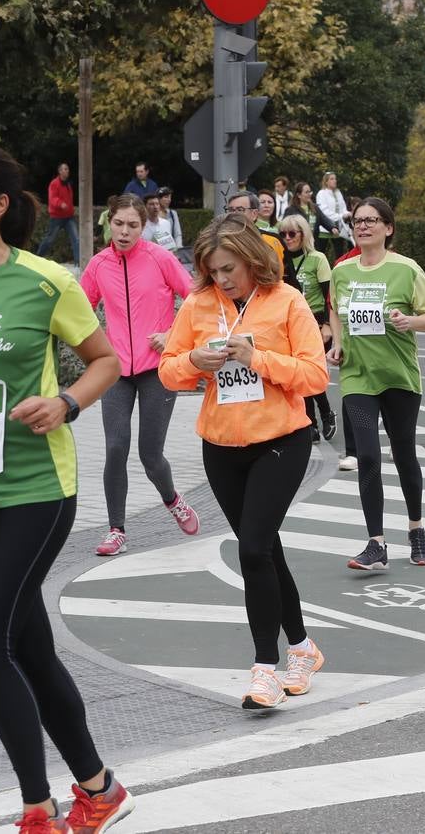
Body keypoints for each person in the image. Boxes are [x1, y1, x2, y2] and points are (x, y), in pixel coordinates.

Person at [0, 143, 134, 833]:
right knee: (28, 647)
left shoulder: (45, 280)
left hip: (37, 490)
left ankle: (38, 808)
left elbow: (106, 360)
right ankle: (98, 788)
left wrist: (66, 402)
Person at [159, 216, 329, 710]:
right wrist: (195, 362)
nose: (223, 280)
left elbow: (315, 377)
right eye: (213, 272)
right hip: (221, 446)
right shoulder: (198, 304)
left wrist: (257, 359)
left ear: (252, 260)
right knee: (264, 549)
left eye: (230, 268)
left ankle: (264, 671)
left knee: (252, 549)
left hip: (281, 440)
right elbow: (168, 371)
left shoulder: (288, 302)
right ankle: (302, 648)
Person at [81, 193, 199, 556]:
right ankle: (116, 530)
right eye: (119, 224)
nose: (125, 231)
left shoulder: (160, 258)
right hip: (115, 370)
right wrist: (96, 349)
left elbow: (195, 298)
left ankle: (172, 498)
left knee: (151, 455)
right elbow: (80, 312)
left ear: (144, 226)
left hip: (156, 370)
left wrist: (172, 335)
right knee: (115, 448)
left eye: (133, 225)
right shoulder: (99, 265)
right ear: (109, 223)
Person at [329, 198, 425, 570]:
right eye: (358, 221)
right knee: (368, 458)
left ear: (388, 228)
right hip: (359, 377)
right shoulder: (342, 272)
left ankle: (416, 528)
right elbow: (336, 309)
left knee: (404, 453)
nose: (363, 226)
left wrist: (410, 322)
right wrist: (338, 344)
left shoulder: (406, 269)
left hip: (399, 376)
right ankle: (375, 543)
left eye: (371, 220)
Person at [279, 214, 337, 442]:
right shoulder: (280, 260)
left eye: (292, 233)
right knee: (297, 374)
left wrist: (326, 325)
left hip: (316, 321)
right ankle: (310, 423)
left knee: (310, 373)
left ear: (304, 234)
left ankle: (325, 413)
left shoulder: (317, 258)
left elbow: (329, 297)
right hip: (290, 322)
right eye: (283, 234)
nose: (287, 238)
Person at [36, 162, 79, 267]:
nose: (66, 171)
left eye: (67, 169)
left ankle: (78, 262)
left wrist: (70, 208)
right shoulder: (54, 183)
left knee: (76, 239)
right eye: (64, 169)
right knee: (49, 239)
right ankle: (37, 258)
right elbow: (52, 198)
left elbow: (69, 200)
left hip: (69, 217)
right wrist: (61, 204)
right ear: (59, 171)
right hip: (57, 217)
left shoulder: (68, 184)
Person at [315, 172, 351, 244]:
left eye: (335, 179)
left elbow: (343, 208)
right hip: (324, 230)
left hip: (338, 229)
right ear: (326, 182)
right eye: (332, 179)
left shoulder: (338, 193)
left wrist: (348, 214)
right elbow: (324, 212)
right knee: (322, 253)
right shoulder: (321, 193)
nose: (335, 181)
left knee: (339, 253)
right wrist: (341, 216)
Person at [157, 185, 182, 252]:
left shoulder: (173, 214)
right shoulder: (153, 215)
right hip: (157, 251)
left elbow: (177, 233)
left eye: (170, 197)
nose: (169, 200)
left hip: (172, 250)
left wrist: (178, 248)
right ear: (158, 199)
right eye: (166, 197)